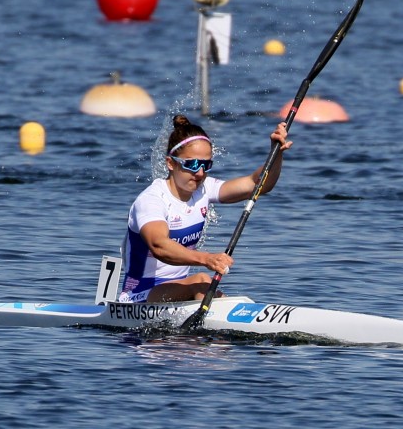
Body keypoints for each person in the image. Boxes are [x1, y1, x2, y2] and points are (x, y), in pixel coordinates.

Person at [118, 115, 292, 303]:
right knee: (202, 280)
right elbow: (159, 245)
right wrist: (207, 259)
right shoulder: (151, 200)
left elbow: (257, 185)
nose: (200, 173)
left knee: (205, 286)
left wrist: (276, 153)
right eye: (192, 164)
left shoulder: (204, 189)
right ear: (171, 163)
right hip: (138, 297)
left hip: (178, 291)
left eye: (206, 165)